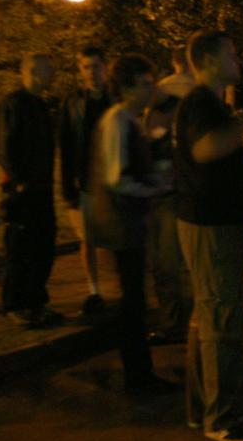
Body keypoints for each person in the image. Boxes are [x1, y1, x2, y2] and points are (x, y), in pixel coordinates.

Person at [174, 31, 243, 441]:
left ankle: (201, 408)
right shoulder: (200, 103)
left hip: (215, 221)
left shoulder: (209, 103)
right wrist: (242, 124)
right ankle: (220, 418)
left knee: (208, 314)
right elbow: (205, 149)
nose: (237, 60)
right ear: (207, 60)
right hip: (210, 225)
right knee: (221, 317)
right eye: (231, 54)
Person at [88, 53, 175, 394]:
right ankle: (137, 375)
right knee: (132, 302)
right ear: (126, 87)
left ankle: (140, 371)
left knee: (134, 298)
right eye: (144, 83)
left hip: (129, 222)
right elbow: (116, 178)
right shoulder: (117, 121)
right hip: (120, 223)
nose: (151, 88)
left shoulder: (129, 120)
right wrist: (155, 188)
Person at [0, 54, 63, 328]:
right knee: (21, 247)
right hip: (23, 190)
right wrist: (18, 181)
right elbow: (5, 144)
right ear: (33, 71)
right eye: (49, 69)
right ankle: (15, 303)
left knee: (43, 245)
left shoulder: (40, 104)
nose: (53, 74)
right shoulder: (14, 104)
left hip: (41, 187)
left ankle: (36, 301)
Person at [58, 46, 111, 316]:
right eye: (86, 67)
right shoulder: (73, 103)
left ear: (105, 67)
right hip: (86, 179)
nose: (91, 72)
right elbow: (66, 145)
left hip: (112, 178)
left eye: (96, 66)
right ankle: (94, 290)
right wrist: (68, 187)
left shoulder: (115, 99)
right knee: (87, 238)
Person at [144, 94, 193, 345]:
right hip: (157, 200)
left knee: (168, 266)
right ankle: (178, 321)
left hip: (170, 201)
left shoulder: (175, 128)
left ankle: (175, 324)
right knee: (163, 267)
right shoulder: (154, 125)